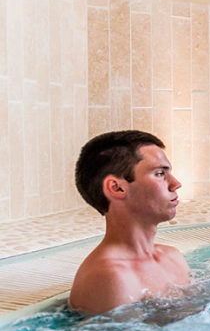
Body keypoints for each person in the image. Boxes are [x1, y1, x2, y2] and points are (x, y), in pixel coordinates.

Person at [70, 130, 190, 315]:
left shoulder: (172, 257)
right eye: (159, 173)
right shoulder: (112, 277)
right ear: (117, 188)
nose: (176, 184)